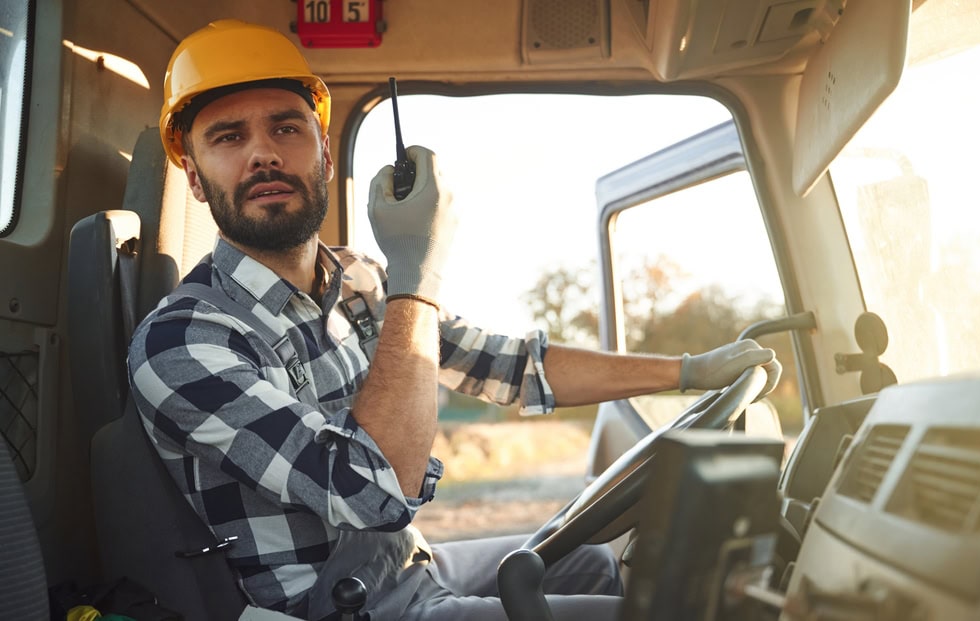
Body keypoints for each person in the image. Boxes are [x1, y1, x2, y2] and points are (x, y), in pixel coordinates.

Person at [127, 19, 782, 621]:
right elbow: (372, 491)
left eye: (285, 128)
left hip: (407, 565)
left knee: (600, 563)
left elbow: (507, 364)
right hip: (340, 607)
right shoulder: (181, 341)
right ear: (192, 171)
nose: (263, 154)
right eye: (228, 137)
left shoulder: (357, 279)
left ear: (324, 150)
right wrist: (419, 274)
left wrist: (689, 371)